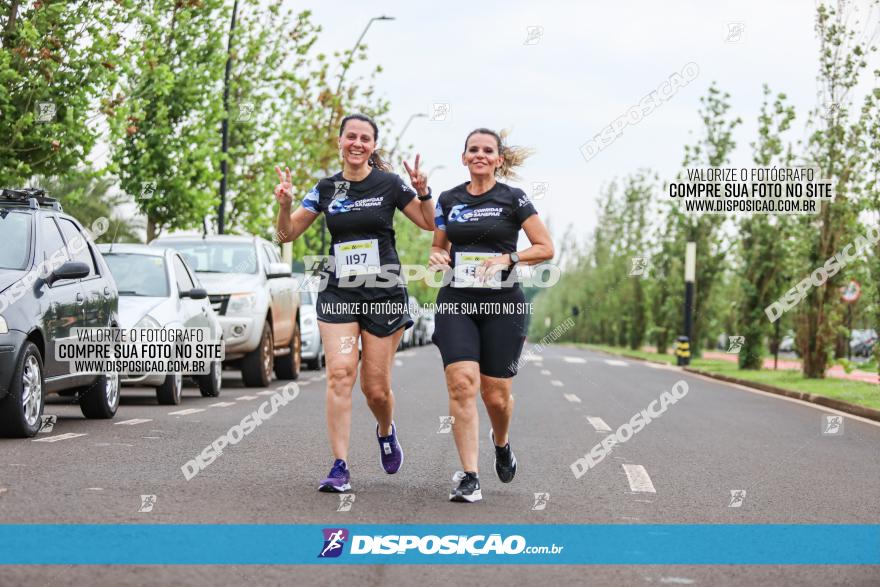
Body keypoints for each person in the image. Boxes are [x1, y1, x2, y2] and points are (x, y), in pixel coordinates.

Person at [275, 113, 435, 492]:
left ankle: (385, 430)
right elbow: (286, 233)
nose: (357, 143)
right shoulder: (327, 188)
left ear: (373, 146)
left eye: (365, 138)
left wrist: (423, 190)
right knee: (341, 372)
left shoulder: (391, 185)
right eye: (351, 137)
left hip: (383, 295)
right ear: (341, 142)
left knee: (375, 389)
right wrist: (284, 204)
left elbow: (429, 223)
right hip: (339, 293)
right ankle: (340, 465)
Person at [429, 128, 554, 502]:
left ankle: (501, 443)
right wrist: (436, 258)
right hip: (457, 301)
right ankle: (470, 475)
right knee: (463, 382)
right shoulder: (448, 199)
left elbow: (545, 247)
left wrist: (509, 257)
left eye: (487, 150)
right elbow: (438, 249)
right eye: (473, 149)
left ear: (499, 159)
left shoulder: (513, 198)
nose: (480, 155)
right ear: (464, 157)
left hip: (503, 304)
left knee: (496, 397)